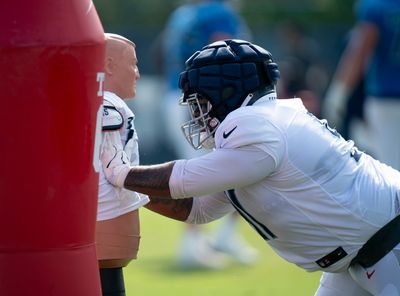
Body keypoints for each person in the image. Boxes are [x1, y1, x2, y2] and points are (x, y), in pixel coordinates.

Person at [101, 39, 400, 295]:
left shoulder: (253, 124)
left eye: (200, 103)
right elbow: (196, 208)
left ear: (226, 95)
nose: (197, 115)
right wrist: (123, 190)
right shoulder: (263, 129)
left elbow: (182, 181)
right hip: (360, 254)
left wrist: (121, 173)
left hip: (388, 243)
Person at [158, 0, 257, 269]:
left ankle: (222, 237)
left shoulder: (185, 13)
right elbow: (225, 53)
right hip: (200, 102)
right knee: (217, 171)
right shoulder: (218, 12)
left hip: (179, 97)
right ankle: (192, 245)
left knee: (229, 170)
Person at [96, 33, 149, 296]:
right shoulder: (109, 106)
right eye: (133, 64)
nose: (137, 74)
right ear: (109, 66)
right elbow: (117, 170)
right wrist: (171, 181)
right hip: (108, 217)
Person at [323, 0, 400, 169]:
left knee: (391, 166)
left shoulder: (377, 6)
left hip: (386, 99)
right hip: (386, 99)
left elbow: (360, 51)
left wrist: (339, 92)